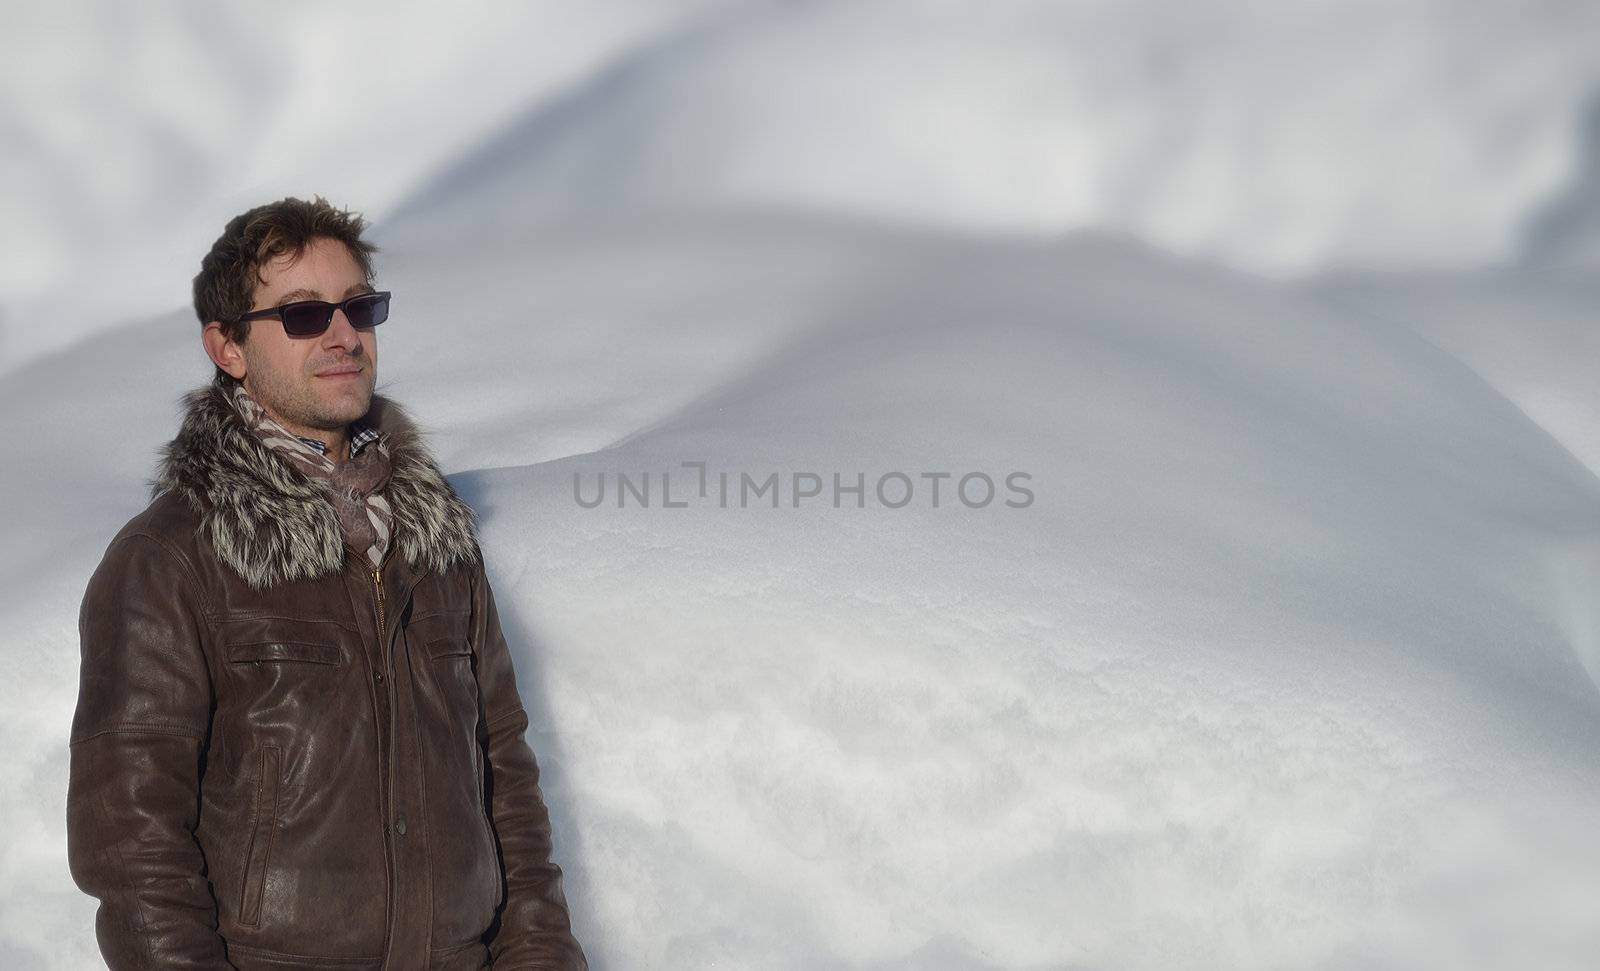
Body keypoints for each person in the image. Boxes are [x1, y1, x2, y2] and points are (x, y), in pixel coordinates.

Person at [65, 196, 588, 970]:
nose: (344, 336)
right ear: (228, 346)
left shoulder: (436, 538)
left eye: (359, 308)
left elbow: (504, 771)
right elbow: (133, 846)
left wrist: (539, 955)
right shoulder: (171, 558)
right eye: (304, 315)